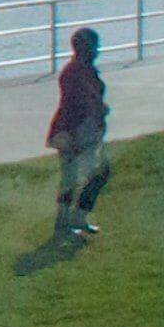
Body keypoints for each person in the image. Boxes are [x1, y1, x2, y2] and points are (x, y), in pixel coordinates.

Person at [47, 28, 111, 238]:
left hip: (85, 130)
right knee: (82, 176)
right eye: (95, 45)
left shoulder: (84, 69)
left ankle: (72, 219)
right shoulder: (74, 73)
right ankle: (69, 220)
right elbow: (78, 103)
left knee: (82, 176)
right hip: (73, 131)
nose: (97, 50)